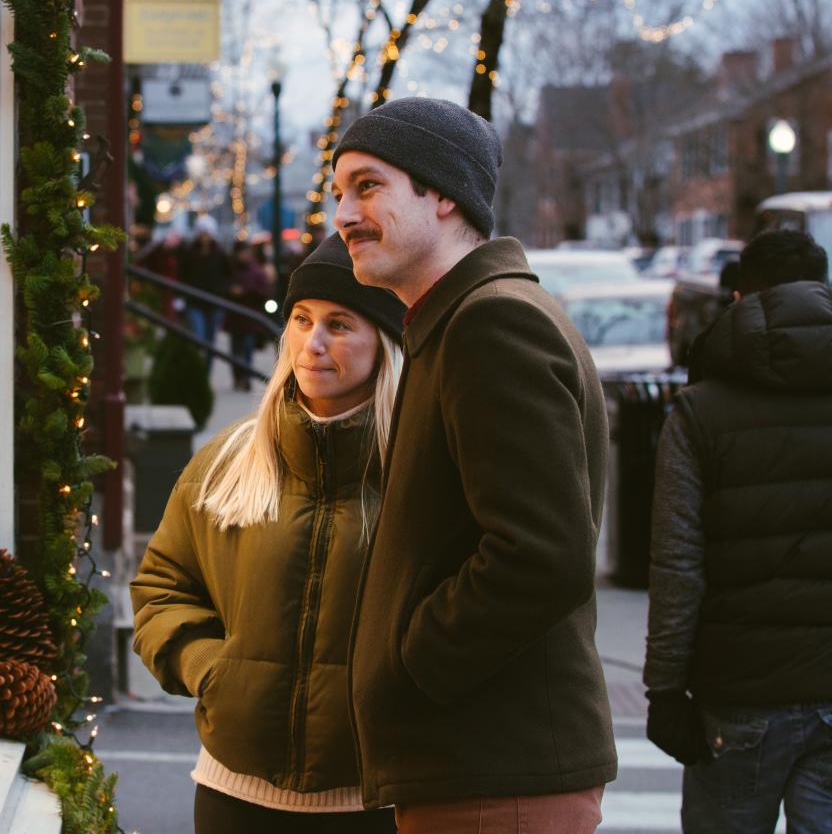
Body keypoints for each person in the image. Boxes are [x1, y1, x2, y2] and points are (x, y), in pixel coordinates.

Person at [331, 97, 616, 833]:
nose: (344, 214)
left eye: (368, 186)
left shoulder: (491, 323)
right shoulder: (457, 321)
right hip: (478, 763)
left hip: (496, 766)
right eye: (339, 192)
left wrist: (414, 664)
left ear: (444, 190)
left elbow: (543, 555)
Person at [131, 233, 406, 833]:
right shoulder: (228, 462)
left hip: (377, 801)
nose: (313, 343)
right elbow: (161, 587)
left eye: (340, 325)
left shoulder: (418, 474)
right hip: (234, 797)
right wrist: (210, 670)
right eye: (302, 320)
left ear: (384, 345)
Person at [643, 229, 832, 833]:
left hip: (739, 695)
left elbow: (677, 564)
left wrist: (666, 690)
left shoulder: (700, 412)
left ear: (739, 301)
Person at [178, 214, 233, 371]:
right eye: (202, 232)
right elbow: (182, 274)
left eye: (207, 232)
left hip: (215, 302)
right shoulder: (189, 253)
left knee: (210, 341)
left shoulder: (220, 253)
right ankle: (197, 371)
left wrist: (224, 291)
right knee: (198, 337)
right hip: (194, 302)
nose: (205, 236)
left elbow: (229, 274)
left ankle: (205, 373)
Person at [226, 241, 274, 391]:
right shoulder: (230, 269)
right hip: (235, 317)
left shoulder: (256, 271)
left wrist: (247, 291)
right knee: (236, 349)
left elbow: (264, 291)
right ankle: (239, 377)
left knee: (246, 348)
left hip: (250, 317)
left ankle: (245, 377)